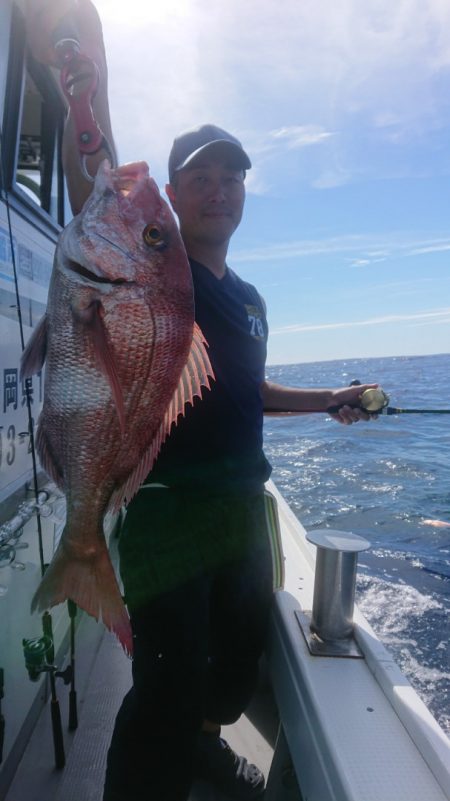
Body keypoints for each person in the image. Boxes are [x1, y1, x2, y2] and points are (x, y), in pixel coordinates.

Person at [27, 3, 377, 800]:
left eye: (233, 176)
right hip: (164, 510)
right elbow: (102, 173)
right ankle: (158, 766)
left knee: (228, 679)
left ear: (246, 191)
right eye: (201, 176)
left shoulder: (249, 298)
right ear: (176, 195)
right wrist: (88, 82)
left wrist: (332, 398)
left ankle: (198, 744)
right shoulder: (157, 264)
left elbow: (246, 394)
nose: (219, 189)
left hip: (240, 509)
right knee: (165, 686)